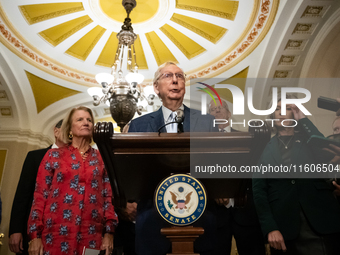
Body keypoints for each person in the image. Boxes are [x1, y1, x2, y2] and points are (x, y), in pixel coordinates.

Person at [128, 62, 217, 255]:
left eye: (180, 76)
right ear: (156, 87)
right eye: (168, 76)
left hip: (199, 216)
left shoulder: (207, 121)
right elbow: (132, 170)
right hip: (152, 219)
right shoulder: (139, 125)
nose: (175, 80)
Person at [253, 96, 340, 255]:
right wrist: (270, 228)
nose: (281, 112)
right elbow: (259, 192)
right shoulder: (264, 149)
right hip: (284, 228)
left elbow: (324, 152)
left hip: (320, 221)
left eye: (287, 108)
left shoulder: (309, 140)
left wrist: (303, 119)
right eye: (277, 109)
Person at [27, 106, 118, 255]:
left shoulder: (102, 158)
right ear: (69, 128)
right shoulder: (53, 155)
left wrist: (109, 233)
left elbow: (108, 197)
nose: (86, 122)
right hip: (54, 235)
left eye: (89, 120)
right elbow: (40, 196)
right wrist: (34, 236)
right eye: (80, 119)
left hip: (91, 236)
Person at [208, 99, 265, 255]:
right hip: (215, 215)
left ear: (229, 114)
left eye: (221, 108)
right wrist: (215, 191)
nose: (217, 111)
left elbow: (255, 171)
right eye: (213, 109)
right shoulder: (201, 142)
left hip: (246, 210)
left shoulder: (247, 139)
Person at [9, 119, 64, 255]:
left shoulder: (78, 162)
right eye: (67, 128)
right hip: (32, 231)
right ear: (56, 131)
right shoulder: (35, 157)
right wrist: (15, 230)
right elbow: (23, 194)